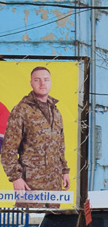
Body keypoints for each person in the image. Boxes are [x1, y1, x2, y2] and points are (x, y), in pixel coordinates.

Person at [1, 67, 70, 202]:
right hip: (31, 183)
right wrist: (16, 178)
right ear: (31, 83)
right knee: (29, 219)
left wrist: (64, 171)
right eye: (37, 80)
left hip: (54, 184)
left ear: (51, 82)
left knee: (51, 221)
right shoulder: (22, 110)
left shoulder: (55, 112)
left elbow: (60, 145)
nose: (42, 83)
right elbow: (8, 148)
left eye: (46, 80)